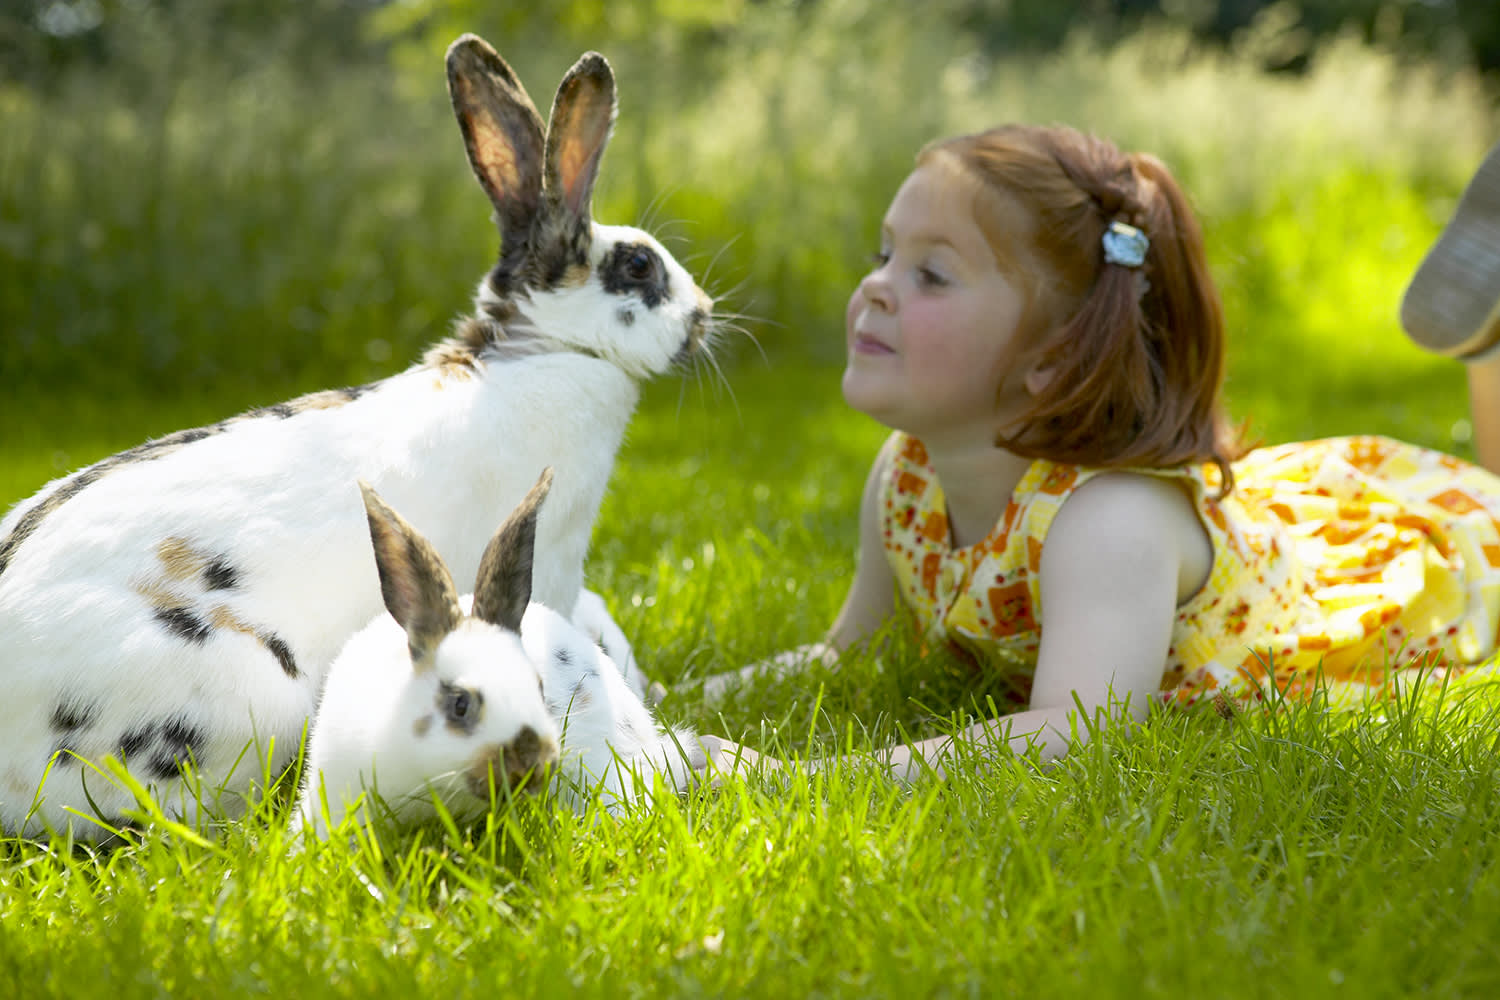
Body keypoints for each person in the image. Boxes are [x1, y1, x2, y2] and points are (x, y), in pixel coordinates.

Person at [696, 127, 1500, 779]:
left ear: (1052, 356)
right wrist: (660, 693)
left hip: (1395, 568)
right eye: (884, 256)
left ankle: (1486, 347)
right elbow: (847, 654)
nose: (876, 287)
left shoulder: (1110, 519)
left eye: (932, 275)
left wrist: (798, 778)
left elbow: (1076, 733)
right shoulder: (906, 476)